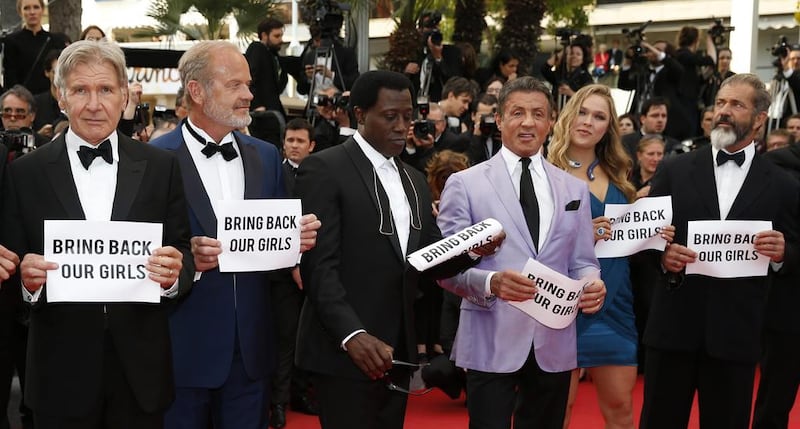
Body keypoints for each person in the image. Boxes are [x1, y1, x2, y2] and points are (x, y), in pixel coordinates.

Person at [1, 40, 194, 428]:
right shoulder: (25, 173)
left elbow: (182, 251)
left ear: (124, 95)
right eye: (80, 90)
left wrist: (175, 275)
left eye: (106, 89)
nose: (94, 103)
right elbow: (12, 266)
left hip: (141, 372)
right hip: (59, 373)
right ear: (60, 97)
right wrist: (27, 282)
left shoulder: (162, 167)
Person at [293, 70, 502, 429]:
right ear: (360, 115)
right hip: (345, 351)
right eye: (390, 117)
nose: (402, 126)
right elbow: (319, 269)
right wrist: (352, 336)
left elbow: (430, 258)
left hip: (398, 351)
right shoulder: (323, 168)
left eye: (408, 117)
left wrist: (472, 250)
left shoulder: (415, 180)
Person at [148, 40, 319, 429]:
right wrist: (186, 260)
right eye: (236, 85)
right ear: (197, 91)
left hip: (253, 354)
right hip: (181, 351)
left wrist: (297, 241)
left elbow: (277, 247)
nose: (249, 95)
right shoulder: (154, 160)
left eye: (249, 84)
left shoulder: (266, 155)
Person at [436, 76, 607, 429]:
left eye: (537, 113)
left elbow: (583, 261)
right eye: (517, 113)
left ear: (551, 121)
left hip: (554, 341)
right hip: (491, 340)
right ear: (499, 120)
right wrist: (490, 282)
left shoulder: (573, 188)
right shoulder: (465, 184)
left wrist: (592, 284)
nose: (527, 122)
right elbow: (446, 268)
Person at [640, 73, 800, 429]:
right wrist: (663, 258)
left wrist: (782, 254)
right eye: (720, 103)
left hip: (736, 336)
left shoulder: (784, 186)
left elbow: (795, 251)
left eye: (736, 105)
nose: (724, 112)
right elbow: (647, 240)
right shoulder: (673, 170)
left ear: (760, 118)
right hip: (672, 329)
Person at [548, 84, 673, 429]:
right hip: (561, 304)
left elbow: (625, 239)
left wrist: (654, 233)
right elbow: (528, 242)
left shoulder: (619, 173)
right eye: (583, 112)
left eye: (599, 116)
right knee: (559, 409)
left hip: (615, 303)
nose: (588, 122)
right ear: (569, 116)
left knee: (621, 410)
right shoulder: (544, 172)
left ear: (609, 127)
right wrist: (580, 234)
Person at [268, 118, 319, 428]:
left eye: (301, 141)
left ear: (311, 145)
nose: (295, 145)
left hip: (314, 271)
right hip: (281, 273)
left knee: (308, 336)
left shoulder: (321, 174)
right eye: (290, 140)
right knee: (285, 339)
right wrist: (293, 264)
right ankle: (278, 402)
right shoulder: (274, 174)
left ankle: (301, 393)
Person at [2, 0, 69, 95]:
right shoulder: (11, 41)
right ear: (20, 12)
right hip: (23, 99)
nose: (32, 12)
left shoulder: (56, 41)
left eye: (36, 7)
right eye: (26, 8)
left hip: (50, 100)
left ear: (42, 10)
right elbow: (9, 77)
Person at [246, 18, 290, 118]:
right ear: (264, 35)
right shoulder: (257, 49)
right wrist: (257, 105)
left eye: (281, 35)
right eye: (276, 36)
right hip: (262, 112)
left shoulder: (273, 54)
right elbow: (250, 78)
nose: (280, 40)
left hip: (273, 109)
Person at [0, 85, 50, 154]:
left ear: (32, 116)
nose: (12, 118)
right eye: (7, 112)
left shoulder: (46, 146)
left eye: (19, 112)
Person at [32, 49, 63, 139]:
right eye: (56, 72)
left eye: (63, 72)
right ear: (47, 72)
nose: (60, 77)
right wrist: (39, 135)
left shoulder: (76, 102)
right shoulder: (35, 103)